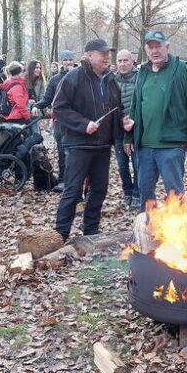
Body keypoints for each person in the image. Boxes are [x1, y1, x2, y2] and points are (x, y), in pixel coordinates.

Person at [52, 38, 133, 240]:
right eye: (102, 53)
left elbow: (117, 108)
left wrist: (123, 121)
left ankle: (91, 231)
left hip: (103, 144)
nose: (107, 57)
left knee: (99, 189)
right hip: (79, 144)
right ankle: (60, 234)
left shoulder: (110, 79)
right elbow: (59, 108)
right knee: (72, 190)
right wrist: (83, 124)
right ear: (89, 55)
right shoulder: (73, 77)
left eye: (108, 54)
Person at [123, 30, 187, 212]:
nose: (154, 51)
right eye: (150, 47)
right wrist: (129, 137)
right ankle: (148, 230)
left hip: (171, 144)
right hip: (144, 145)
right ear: (146, 50)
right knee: (145, 190)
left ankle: (178, 230)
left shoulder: (180, 69)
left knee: (174, 191)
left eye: (158, 46)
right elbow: (135, 106)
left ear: (167, 47)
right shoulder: (143, 71)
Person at [34, 49, 75, 191]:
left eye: (70, 60)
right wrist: (35, 106)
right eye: (66, 60)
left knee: (76, 151)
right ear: (61, 62)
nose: (68, 62)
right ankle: (63, 180)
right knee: (62, 151)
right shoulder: (54, 79)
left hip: (77, 121)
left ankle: (76, 181)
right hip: (60, 121)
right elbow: (47, 99)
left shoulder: (80, 77)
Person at [114, 49, 139, 208]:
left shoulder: (140, 78)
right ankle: (127, 192)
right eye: (120, 61)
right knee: (122, 165)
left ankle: (137, 193)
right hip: (118, 129)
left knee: (138, 164)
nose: (123, 64)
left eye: (125, 60)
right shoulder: (111, 80)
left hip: (136, 128)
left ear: (132, 61)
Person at [26, 60, 45, 134]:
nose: (39, 70)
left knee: (35, 131)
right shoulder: (24, 79)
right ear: (31, 68)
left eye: (40, 68)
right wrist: (27, 101)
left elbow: (43, 96)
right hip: (24, 109)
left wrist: (38, 105)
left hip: (35, 108)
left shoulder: (41, 80)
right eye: (36, 68)